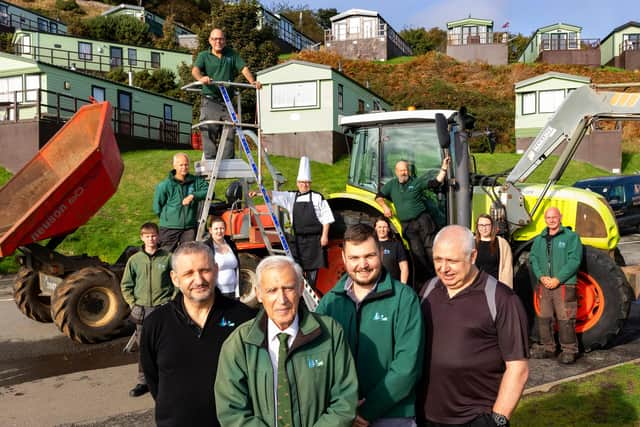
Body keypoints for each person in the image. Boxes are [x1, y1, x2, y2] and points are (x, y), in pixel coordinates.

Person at [214, 255, 358, 426]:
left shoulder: (330, 334)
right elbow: (232, 411)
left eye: (288, 288)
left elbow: (345, 401)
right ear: (259, 294)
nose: (282, 300)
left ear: (301, 288)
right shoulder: (239, 343)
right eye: (272, 290)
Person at [420, 225, 529, 427]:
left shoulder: (501, 298)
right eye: (438, 260)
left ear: (472, 256)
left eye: (452, 261)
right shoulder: (428, 290)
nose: (443, 268)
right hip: (427, 417)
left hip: (475, 419)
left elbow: (518, 369)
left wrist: (498, 419)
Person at [316, 223, 424, 427]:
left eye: (369, 256)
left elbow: (407, 367)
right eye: (355, 258)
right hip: (342, 416)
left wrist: (368, 410)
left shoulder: (404, 299)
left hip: (393, 414)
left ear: (381, 254)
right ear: (344, 257)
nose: (362, 264)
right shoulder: (330, 302)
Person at [140, 242, 255, 427]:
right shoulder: (156, 324)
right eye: (188, 273)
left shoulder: (245, 319)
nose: (199, 280)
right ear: (175, 278)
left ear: (216, 270)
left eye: (204, 270)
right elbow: (154, 380)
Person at [249, 156, 334, 289]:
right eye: (301, 182)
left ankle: (310, 296)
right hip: (297, 241)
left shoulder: (318, 197)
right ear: (297, 183)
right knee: (296, 273)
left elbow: (326, 218)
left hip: (314, 242)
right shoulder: (291, 197)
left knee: (312, 276)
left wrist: (325, 236)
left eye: (306, 182)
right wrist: (259, 193)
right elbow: (274, 194)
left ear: (310, 183)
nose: (304, 185)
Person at [375, 157, 450, 284]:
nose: (403, 172)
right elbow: (378, 196)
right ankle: (427, 283)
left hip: (423, 222)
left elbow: (435, 183)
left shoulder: (416, 182)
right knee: (417, 255)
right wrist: (384, 206)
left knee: (431, 251)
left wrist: (443, 168)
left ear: (408, 171)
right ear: (396, 171)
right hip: (408, 227)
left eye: (405, 170)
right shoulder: (392, 185)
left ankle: (442, 278)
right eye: (400, 170)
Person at [120, 222, 173, 398]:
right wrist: (133, 304)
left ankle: (166, 380)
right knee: (144, 348)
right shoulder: (134, 260)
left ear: (158, 237)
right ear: (142, 237)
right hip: (142, 311)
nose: (151, 239)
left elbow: (178, 281)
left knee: (165, 346)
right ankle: (144, 382)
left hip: (163, 309)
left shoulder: (168, 257)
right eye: (147, 236)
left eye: (154, 236)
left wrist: (171, 301)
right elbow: (126, 285)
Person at [192, 28, 262, 160]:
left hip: (227, 101)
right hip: (210, 100)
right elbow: (195, 70)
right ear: (210, 41)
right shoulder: (203, 56)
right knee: (209, 128)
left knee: (231, 128)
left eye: (220, 39)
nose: (218, 41)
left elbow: (244, 68)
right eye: (215, 39)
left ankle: (227, 159)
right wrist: (201, 78)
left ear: (224, 40)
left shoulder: (231, 54)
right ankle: (210, 160)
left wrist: (252, 82)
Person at [529, 207, 583, 364]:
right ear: (545, 219)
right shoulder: (539, 239)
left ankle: (569, 350)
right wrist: (541, 276)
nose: (551, 220)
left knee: (565, 318)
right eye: (548, 217)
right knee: (544, 317)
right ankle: (549, 348)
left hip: (564, 285)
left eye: (554, 217)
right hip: (544, 285)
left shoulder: (571, 237)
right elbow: (533, 258)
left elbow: (574, 261)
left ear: (560, 217)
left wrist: (558, 279)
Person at [152, 153, 208, 252]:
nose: (184, 167)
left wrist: (193, 196)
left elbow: (209, 191)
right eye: (181, 165)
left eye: (186, 164)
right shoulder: (164, 185)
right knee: (165, 255)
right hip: (169, 227)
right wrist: (168, 219)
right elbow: (157, 207)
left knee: (187, 254)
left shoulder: (196, 181)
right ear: (174, 166)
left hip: (189, 228)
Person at [204, 216, 240, 298]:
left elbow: (237, 268)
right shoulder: (206, 247)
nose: (219, 231)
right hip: (216, 293)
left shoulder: (231, 244)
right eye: (216, 229)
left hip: (233, 291)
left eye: (222, 228)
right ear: (210, 230)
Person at [474, 214, 513, 288]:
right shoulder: (471, 243)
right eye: (481, 225)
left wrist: (505, 290)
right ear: (477, 226)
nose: (484, 228)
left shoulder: (502, 243)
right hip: (475, 287)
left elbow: (507, 269)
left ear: (492, 226)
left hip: (495, 287)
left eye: (487, 225)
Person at [374, 216, 409, 284]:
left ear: (389, 229)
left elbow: (404, 267)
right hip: (375, 286)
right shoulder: (371, 244)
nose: (382, 230)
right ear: (375, 228)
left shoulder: (396, 244)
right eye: (379, 227)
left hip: (393, 285)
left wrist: (402, 286)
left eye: (384, 227)